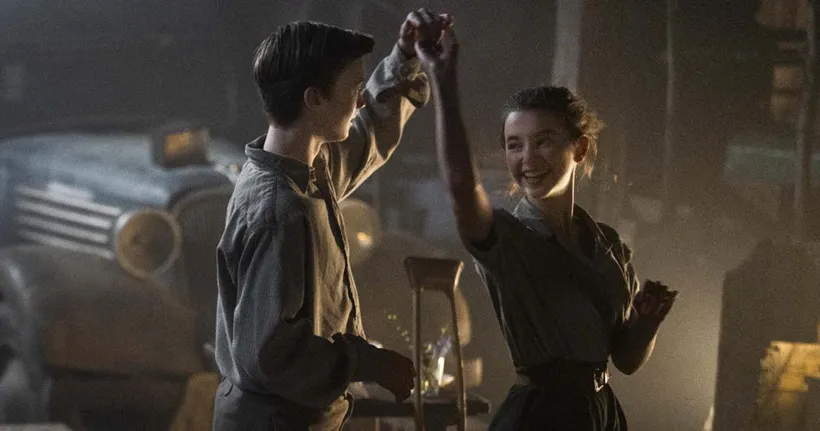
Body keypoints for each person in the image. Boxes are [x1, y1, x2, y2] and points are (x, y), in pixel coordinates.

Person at [415, 28, 678, 430]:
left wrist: (647, 322)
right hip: (543, 416)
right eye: (514, 144)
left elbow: (625, 359)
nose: (528, 158)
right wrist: (443, 80)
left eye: (543, 142)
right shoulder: (507, 239)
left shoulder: (609, 246)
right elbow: (462, 186)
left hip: (601, 413)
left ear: (580, 148)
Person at [213, 11, 451, 430]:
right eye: (354, 89)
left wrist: (405, 56)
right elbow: (270, 353)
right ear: (314, 99)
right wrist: (366, 362)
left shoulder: (305, 173)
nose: (360, 101)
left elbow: (368, 134)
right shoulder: (280, 210)